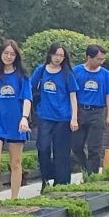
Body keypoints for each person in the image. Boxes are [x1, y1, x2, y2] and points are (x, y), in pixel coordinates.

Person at [0, 39, 32, 208]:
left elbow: (27, 99)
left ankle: (14, 199)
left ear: (16, 56)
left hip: (16, 122)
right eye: (6, 53)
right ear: (0, 54)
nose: (9, 56)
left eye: (12, 54)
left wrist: (24, 118)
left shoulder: (22, 76)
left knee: (16, 162)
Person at [31, 43, 78, 187]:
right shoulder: (40, 71)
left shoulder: (67, 73)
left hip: (63, 117)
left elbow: (73, 96)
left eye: (61, 56)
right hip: (45, 116)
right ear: (50, 54)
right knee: (43, 148)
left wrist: (74, 118)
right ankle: (46, 178)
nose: (58, 58)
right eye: (56, 55)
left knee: (61, 152)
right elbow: (29, 88)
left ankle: (61, 183)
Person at [72, 45, 109, 175]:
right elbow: (71, 93)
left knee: (94, 148)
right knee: (76, 146)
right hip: (80, 111)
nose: (101, 62)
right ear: (89, 57)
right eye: (98, 59)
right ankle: (86, 169)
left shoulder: (105, 74)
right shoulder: (76, 71)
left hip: (97, 112)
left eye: (103, 59)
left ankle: (92, 176)